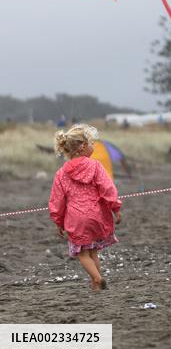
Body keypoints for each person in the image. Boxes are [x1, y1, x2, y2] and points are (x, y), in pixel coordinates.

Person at [49, 124, 121, 291]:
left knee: (83, 254)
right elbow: (107, 188)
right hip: (97, 216)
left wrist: (58, 221)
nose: (93, 146)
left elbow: (57, 201)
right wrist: (115, 207)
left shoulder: (61, 174)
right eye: (90, 143)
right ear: (82, 147)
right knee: (93, 251)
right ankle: (96, 284)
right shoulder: (96, 166)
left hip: (76, 219)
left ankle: (98, 278)